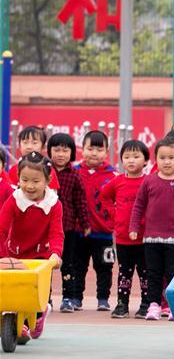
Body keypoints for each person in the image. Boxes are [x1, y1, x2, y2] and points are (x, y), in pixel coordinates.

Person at [128, 136, 174, 321]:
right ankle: (154, 305)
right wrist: (134, 226)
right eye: (162, 158)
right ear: (156, 159)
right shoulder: (149, 181)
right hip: (151, 239)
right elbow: (139, 205)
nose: (167, 162)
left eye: (171, 158)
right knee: (153, 274)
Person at [0, 153, 64, 340]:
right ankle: (15, 325)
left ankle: (40, 313)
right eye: (24, 179)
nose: (29, 185)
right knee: (10, 291)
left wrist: (55, 254)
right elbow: (1, 229)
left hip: (41, 257)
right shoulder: (14, 199)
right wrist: (2, 255)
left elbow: (56, 233)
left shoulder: (54, 204)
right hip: (15, 255)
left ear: (48, 180)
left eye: (36, 181)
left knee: (35, 295)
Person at [100, 140, 150, 319]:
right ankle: (122, 304)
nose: (131, 160)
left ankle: (146, 304)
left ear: (145, 160)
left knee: (145, 273)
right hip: (122, 237)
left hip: (145, 238)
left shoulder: (148, 181)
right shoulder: (117, 181)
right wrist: (114, 215)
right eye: (127, 157)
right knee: (124, 272)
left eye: (136, 156)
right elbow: (104, 197)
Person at [47, 133, 91, 314]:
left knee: (69, 264)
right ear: (49, 151)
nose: (60, 154)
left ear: (72, 153)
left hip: (68, 227)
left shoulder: (74, 174)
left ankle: (68, 298)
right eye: (56, 150)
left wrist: (85, 222)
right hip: (46, 228)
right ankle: (45, 298)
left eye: (65, 150)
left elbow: (80, 200)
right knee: (45, 264)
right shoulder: (44, 171)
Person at [75, 130, 117, 312]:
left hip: (105, 233)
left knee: (105, 267)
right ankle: (75, 298)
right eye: (90, 148)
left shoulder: (114, 175)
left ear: (107, 152)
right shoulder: (74, 172)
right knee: (78, 266)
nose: (94, 153)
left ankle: (103, 299)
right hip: (79, 231)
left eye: (99, 149)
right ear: (81, 150)